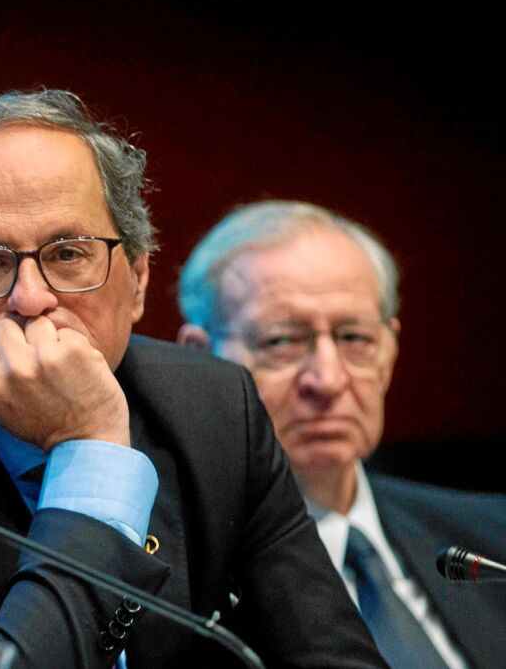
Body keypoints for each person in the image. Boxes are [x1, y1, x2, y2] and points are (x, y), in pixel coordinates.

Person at [0, 89, 387, 668]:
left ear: (138, 280)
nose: (30, 299)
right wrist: (94, 450)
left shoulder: (216, 408)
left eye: (68, 254)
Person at [177, 200, 506, 668]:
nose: (327, 380)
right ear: (199, 357)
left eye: (354, 338)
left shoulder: (492, 539)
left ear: (388, 352)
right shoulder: (169, 591)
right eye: (281, 341)